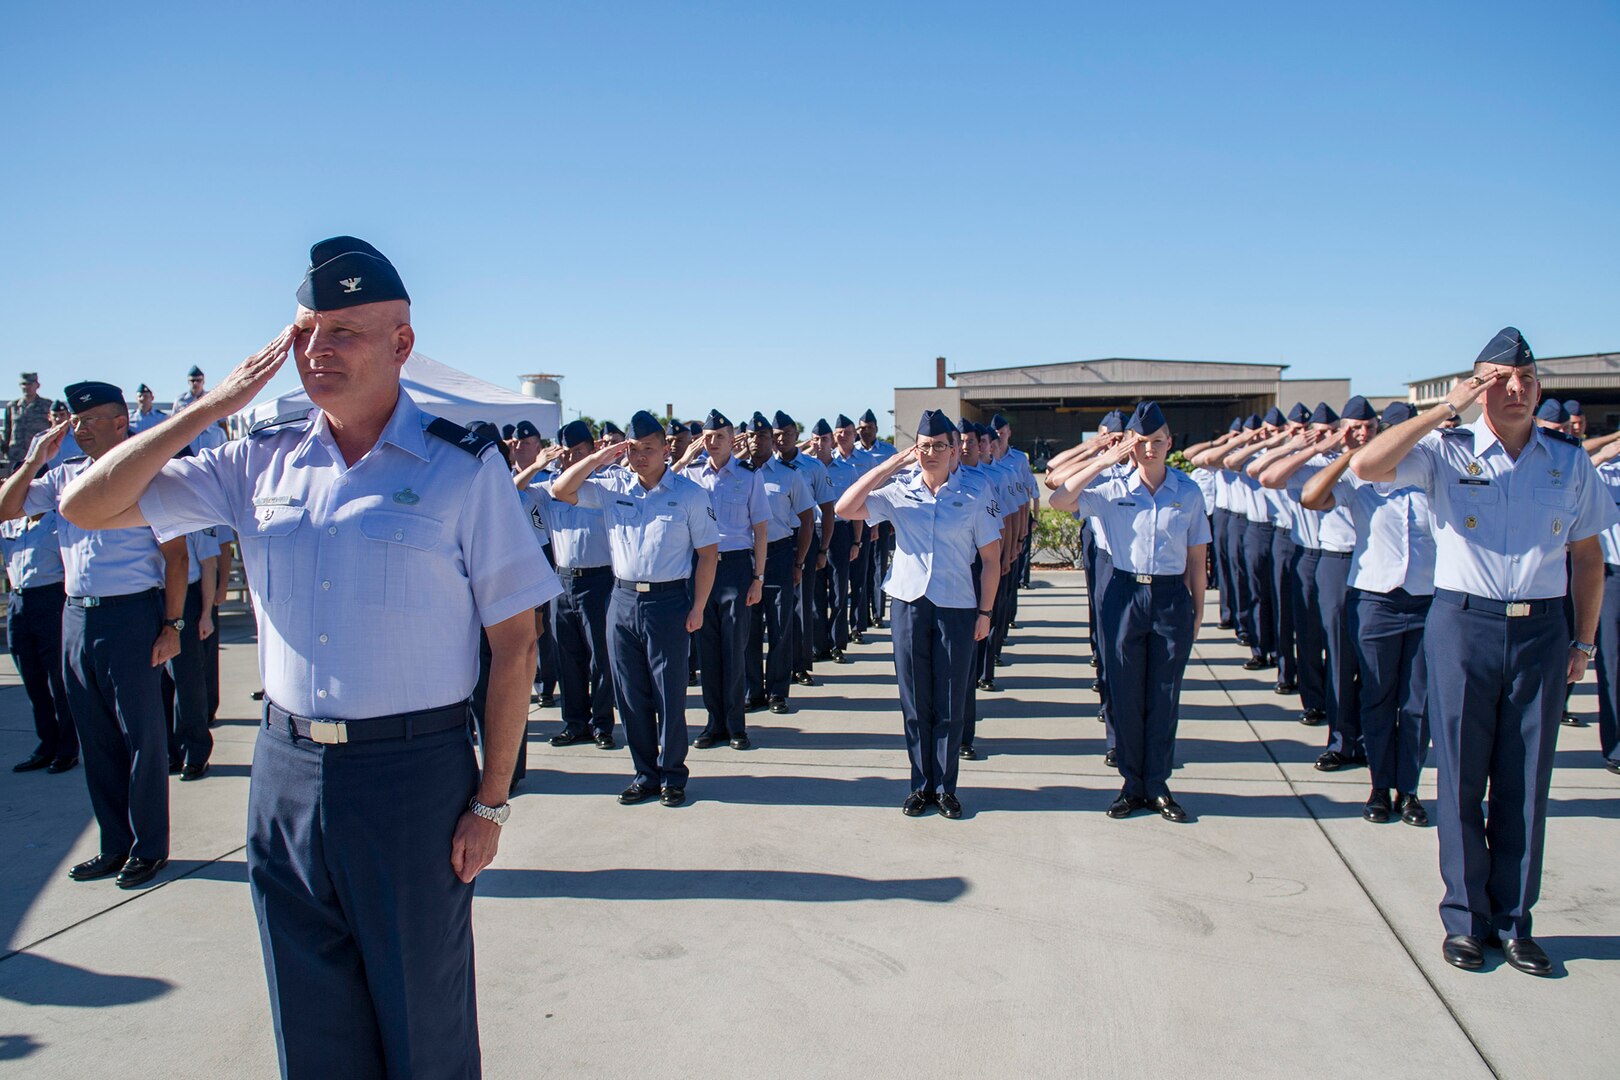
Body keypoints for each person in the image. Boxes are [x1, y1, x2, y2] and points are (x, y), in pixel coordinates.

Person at [58, 236, 561, 1075]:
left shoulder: (460, 468)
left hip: (412, 775)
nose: (316, 352)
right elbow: (87, 504)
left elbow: (515, 642)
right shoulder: (255, 460)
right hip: (285, 768)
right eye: (303, 334)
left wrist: (493, 800)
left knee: (423, 1022)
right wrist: (209, 409)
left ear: (401, 342)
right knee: (309, 1015)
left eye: (343, 332)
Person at [1350, 326, 1613, 978]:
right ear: (1479, 386)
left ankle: (1514, 921)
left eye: (1526, 380)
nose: (1516, 390)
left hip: (1542, 631)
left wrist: (1583, 641)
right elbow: (1366, 466)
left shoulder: (1567, 460)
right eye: (1500, 380)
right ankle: (1466, 921)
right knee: (1464, 779)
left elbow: (1587, 557)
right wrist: (1446, 408)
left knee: (1526, 783)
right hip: (1463, 625)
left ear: (1540, 387)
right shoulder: (1445, 449)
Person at [0, 381, 186, 890]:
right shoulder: (63, 477)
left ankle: (149, 847)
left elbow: (176, 558)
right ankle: (115, 845)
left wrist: (172, 626)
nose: (78, 429)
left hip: (132, 616)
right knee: (96, 737)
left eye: (90, 420)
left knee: (143, 739)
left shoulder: (148, 476)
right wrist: (35, 457)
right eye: (76, 421)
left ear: (120, 422)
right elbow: (6, 507)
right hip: (76, 615)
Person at [836, 410, 1000, 819]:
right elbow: (844, 507)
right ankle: (920, 785)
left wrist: (986, 612)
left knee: (949, 700)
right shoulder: (898, 490)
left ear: (954, 449)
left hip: (957, 606)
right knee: (914, 700)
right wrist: (892, 463)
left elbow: (992, 560)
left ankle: (945, 787)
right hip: (909, 603)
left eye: (938, 446)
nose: (930, 454)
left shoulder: (975, 492)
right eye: (923, 446)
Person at [549, 409, 719, 805]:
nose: (641, 456)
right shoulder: (612, 487)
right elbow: (560, 491)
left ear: (665, 450)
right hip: (621, 601)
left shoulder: (689, 494)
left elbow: (708, 555)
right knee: (630, 695)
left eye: (648, 448)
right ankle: (645, 773)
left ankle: (672, 774)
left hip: (669, 602)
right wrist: (598, 458)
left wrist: (697, 607)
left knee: (668, 694)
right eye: (634, 449)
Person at [1049, 402, 1209, 822]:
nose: (1150, 450)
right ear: (1131, 446)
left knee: (1163, 694)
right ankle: (1131, 783)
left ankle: (1156, 784)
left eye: (1158, 442)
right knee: (1124, 692)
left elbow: (1197, 557)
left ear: (1169, 444)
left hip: (1171, 595)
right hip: (1123, 593)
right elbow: (1059, 498)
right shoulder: (1111, 487)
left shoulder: (1188, 491)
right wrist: (1104, 458)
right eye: (1142, 443)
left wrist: (1198, 609)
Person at [1300, 404, 1435, 823]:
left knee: (1417, 702)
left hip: (1428, 599)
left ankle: (1409, 789)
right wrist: (1348, 453)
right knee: (1376, 696)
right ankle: (1379, 786)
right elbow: (1311, 497)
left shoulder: (1433, 474)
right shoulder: (1360, 475)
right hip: (1375, 598)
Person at [676, 410, 767, 748]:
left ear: (732, 440)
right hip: (700, 567)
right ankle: (714, 724)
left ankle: (736, 725)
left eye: (719, 437)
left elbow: (760, 528)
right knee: (707, 648)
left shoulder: (748, 476)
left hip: (734, 569)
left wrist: (758, 576)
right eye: (708, 437)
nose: (712, 443)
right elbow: (658, 485)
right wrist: (685, 458)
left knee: (734, 648)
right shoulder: (690, 475)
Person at [524, 420, 617, 749]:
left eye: (578, 452)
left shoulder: (606, 486)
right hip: (562, 580)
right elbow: (511, 491)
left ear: (592, 451)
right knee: (567, 656)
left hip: (601, 578)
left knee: (601, 657)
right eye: (565, 453)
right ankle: (575, 723)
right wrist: (537, 465)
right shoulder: (548, 487)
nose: (570, 460)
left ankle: (602, 724)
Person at [737, 413, 814, 714]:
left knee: (781, 626)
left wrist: (799, 562)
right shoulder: (737, 474)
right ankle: (752, 689)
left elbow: (807, 520)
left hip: (779, 555)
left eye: (764, 436)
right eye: (752, 436)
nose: (758, 441)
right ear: (746, 439)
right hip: (744, 557)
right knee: (749, 628)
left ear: (773, 440)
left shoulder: (788, 474)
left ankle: (777, 691)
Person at [3, 507, 78, 774]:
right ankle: (47, 744)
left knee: (58, 680)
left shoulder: (58, 522)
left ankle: (68, 748)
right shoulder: (9, 522)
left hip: (50, 598)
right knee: (33, 679)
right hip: (18, 601)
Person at [774, 411, 834, 687]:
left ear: (796, 436)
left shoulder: (812, 467)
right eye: (776, 434)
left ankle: (800, 664)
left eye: (787, 433)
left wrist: (823, 549)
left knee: (802, 603)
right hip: (771, 540)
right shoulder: (759, 467)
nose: (781, 439)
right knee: (775, 609)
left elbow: (827, 510)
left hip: (804, 537)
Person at [160, 524, 218, 780]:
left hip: (186, 597)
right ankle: (169, 752)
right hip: (151, 596)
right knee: (160, 683)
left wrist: (206, 615)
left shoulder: (193, 516)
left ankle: (195, 753)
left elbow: (208, 565)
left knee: (188, 682)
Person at [808, 418, 863, 664]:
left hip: (841, 533)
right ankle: (819, 644)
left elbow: (858, 508)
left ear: (832, 442)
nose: (821, 444)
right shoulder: (804, 469)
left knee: (840, 592)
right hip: (811, 532)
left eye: (825, 439)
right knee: (815, 592)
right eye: (816, 439)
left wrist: (857, 541)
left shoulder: (847, 471)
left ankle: (837, 642)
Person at [4, 371, 52, 477]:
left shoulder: (47, 405)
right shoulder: (12, 406)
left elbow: (53, 427)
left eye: (30, 384)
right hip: (16, 455)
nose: (26, 387)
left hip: (38, 453)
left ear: (37, 385)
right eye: (24, 384)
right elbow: (7, 430)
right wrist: (6, 450)